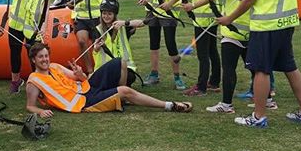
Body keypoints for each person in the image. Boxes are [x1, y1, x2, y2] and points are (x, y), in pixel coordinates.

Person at [25, 43, 192, 116]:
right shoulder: (34, 81)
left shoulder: (54, 66)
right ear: (33, 60)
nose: (45, 59)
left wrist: (79, 72)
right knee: (125, 90)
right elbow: (30, 106)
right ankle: (169, 105)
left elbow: (80, 78)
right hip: (83, 103)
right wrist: (41, 111)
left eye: (46, 56)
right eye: (41, 57)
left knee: (119, 62)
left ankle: (122, 100)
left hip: (86, 87)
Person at [162, 0, 222, 97]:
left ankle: (201, 87)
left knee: (203, 54)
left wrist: (172, 3)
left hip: (204, 17)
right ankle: (214, 82)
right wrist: (170, 3)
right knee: (212, 51)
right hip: (211, 16)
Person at [6, 0, 55, 93]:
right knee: (14, 53)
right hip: (16, 24)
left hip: (33, 28)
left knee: (35, 55)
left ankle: (38, 83)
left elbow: (46, 9)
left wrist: (44, 27)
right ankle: (16, 81)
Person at [92, 0, 144, 81]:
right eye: (104, 13)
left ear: (114, 15)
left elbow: (142, 23)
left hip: (124, 67)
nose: (106, 16)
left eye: (109, 14)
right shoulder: (97, 29)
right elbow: (95, 51)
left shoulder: (122, 26)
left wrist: (125, 23)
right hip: (105, 68)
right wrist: (96, 48)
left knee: (130, 77)